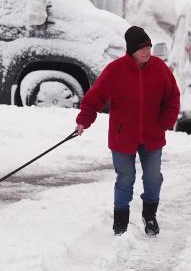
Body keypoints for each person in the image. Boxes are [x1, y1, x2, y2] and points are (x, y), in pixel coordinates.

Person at [75, 25, 181, 236]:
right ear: (131, 49)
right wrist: (83, 121)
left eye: (148, 47)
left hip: (152, 135)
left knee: (153, 178)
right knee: (125, 178)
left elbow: (173, 97)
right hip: (123, 135)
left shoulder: (159, 68)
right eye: (142, 48)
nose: (146, 51)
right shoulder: (115, 70)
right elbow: (94, 97)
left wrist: (165, 122)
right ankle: (120, 222)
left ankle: (149, 216)